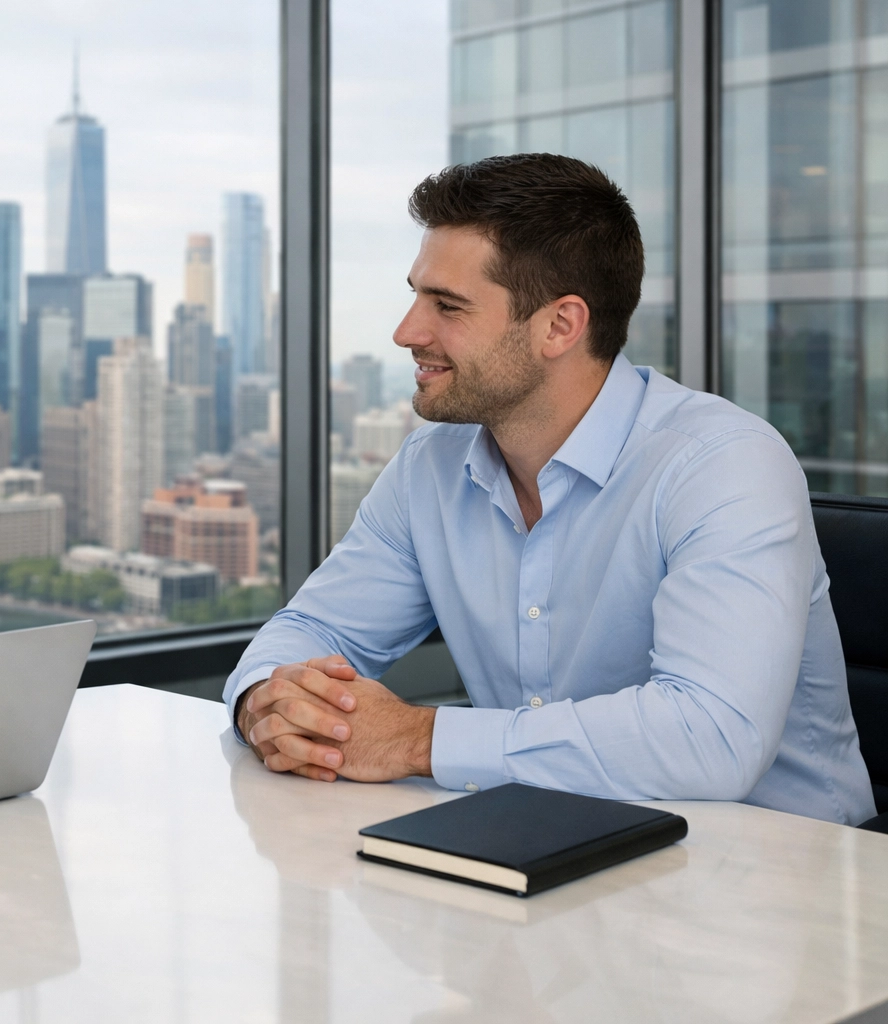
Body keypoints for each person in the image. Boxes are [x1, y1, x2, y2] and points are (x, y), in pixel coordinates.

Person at [228, 153, 875, 826]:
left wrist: (415, 739)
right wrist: (267, 706)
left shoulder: (722, 464)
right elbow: (315, 628)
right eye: (417, 294)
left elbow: (710, 735)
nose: (407, 332)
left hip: (783, 881)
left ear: (560, 326)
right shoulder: (432, 465)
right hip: (552, 850)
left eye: (447, 306)